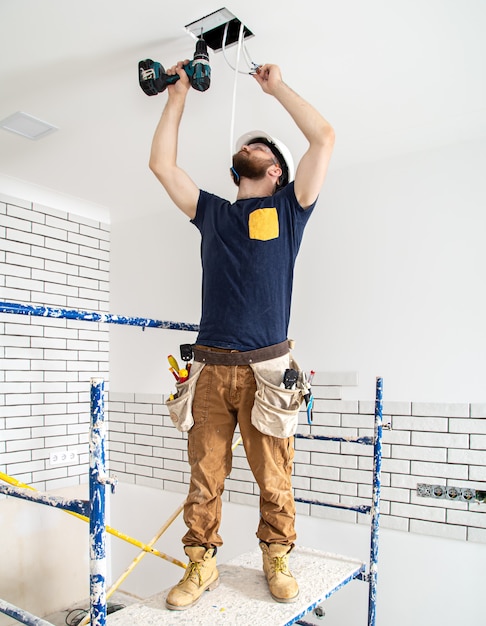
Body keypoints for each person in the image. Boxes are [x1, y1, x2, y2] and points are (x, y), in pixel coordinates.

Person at [149, 60, 335, 611]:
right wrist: (178, 92)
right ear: (239, 172)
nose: (253, 148)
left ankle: (275, 556)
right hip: (208, 367)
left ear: (277, 169)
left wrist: (275, 88)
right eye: (248, 147)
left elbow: (324, 137)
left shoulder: (290, 209)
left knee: (274, 477)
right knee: (204, 479)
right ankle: (201, 562)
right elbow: (161, 164)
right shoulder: (213, 213)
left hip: (269, 369)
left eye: (264, 148)